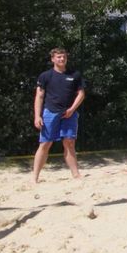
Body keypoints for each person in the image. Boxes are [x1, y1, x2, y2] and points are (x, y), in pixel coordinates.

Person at [32, 47, 85, 183]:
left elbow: (81, 94)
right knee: (45, 143)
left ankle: (76, 175)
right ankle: (34, 177)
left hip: (69, 113)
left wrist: (72, 109)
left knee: (69, 143)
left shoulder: (75, 75)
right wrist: (37, 116)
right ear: (53, 59)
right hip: (50, 112)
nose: (62, 59)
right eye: (59, 57)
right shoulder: (45, 76)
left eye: (64, 57)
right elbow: (39, 96)